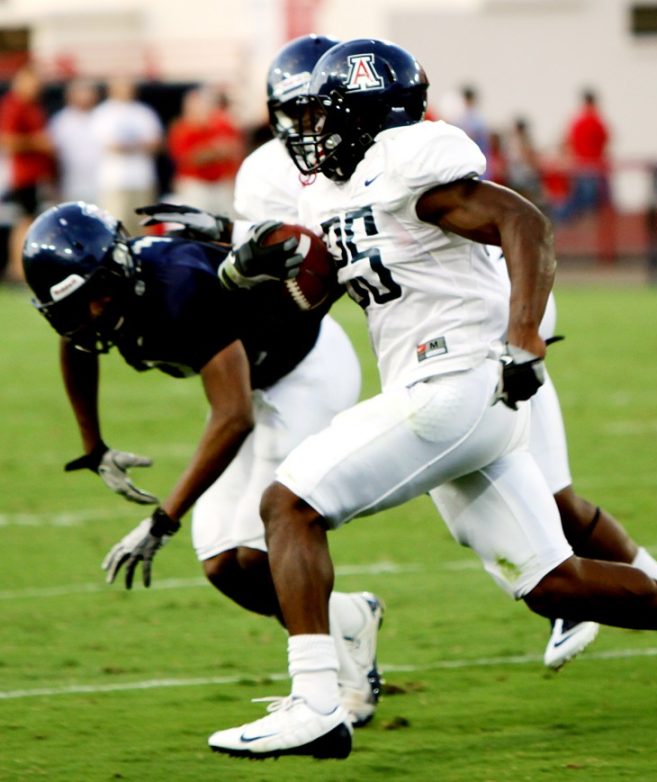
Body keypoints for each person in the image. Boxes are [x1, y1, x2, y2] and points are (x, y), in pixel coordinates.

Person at [203, 38, 657, 760]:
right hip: (449, 397)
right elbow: (320, 293)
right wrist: (253, 269)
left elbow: (524, 223)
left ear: (366, 117)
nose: (307, 132)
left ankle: (315, 703)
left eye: (322, 114)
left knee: (288, 505)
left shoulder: (409, 164)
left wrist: (523, 332)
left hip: (456, 383)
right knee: (555, 585)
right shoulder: (331, 187)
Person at [21, 200, 384, 727]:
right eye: (75, 307)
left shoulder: (178, 287)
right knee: (221, 563)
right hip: (256, 383)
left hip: (307, 371)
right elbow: (76, 344)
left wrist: (163, 519)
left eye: (94, 299)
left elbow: (232, 415)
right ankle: (352, 616)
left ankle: (332, 688)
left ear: (116, 272)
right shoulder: (101, 294)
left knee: (259, 552)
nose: (90, 315)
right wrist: (93, 445)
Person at [0, 65, 54, 283]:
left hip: (35, 174)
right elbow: (7, 140)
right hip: (22, 174)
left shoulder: (34, 106)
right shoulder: (14, 105)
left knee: (29, 219)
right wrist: (37, 143)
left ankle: (20, 267)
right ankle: (17, 269)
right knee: (24, 220)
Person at [91, 77, 163, 234]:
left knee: (143, 227)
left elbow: (156, 143)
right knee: (116, 227)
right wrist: (138, 145)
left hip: (141, 180)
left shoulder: (144, 112)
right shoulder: (103, 113)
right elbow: (110, 145)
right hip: (115, 182)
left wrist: (129, 145)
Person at [167, 87, 243, 216]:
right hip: (196, 185)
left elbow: (235, 149)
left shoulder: (221, 125)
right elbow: (189, 159)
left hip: (221, 184)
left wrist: (213, 152)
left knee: (227, 223)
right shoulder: (182, 129)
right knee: (198, 225)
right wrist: (215, 151)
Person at [555, 90, 610, 223]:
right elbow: (605, 141)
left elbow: (569, 141)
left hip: (580, 165)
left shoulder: (577, 121)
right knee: (593, 203)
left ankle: (564, 223)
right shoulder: (597, 121)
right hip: (595, 166)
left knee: (579, 200)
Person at [48, 80, 102, 203]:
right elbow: (53, 154)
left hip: (102, 183)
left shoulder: (103, 116)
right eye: (81, 93)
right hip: (71, 184)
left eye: (88, 93)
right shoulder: (61, 120)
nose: (85, 97)